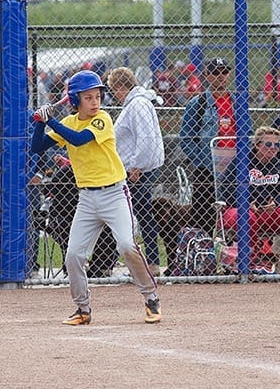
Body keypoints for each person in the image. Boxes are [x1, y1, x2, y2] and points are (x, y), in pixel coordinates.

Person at [31, 70, 161, 325]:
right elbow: (37, 147)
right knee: (74, 256)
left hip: (114, 193)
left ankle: (151, 297)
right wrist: (39, 123)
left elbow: (79, 140)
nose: (95, 102)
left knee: (126, 245)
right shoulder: (68, 122)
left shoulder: (103, 119)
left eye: (97, 96)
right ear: (75, 100)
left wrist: (49, 121)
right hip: (87, 199)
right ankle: (82, 308)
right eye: (88, 97)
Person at [108, 67, 165, 277]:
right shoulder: (135, 104)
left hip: (138, 170)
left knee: (138, 214)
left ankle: (149, 263)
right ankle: (146, 262)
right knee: (137, 214)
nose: (114, 94)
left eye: (114, 89)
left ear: (120, 87)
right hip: (135, 168)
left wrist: (136, 166)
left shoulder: (137, 105)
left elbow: (146, 138)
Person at [179, 57, 243, 237]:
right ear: (206, 75)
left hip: (234, 169)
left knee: (234, 213)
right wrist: (203, 161)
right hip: (207, 169)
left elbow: (248, 134)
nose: (221, 76)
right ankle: (203, 253)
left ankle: (233, 253)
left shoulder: (237, 102)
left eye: (224, 72)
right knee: (203, 216)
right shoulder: (198, 104)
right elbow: (186, 139)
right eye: (215, 72)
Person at [220, 126, 280, 273]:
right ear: (257, 145)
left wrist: (276, 202)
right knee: (247, 217)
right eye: (268, 144)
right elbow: (226, 190)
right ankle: (249, 262)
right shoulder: (242, 161)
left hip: (269, 211)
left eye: (277, 145)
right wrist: (244, 204)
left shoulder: (278, 163)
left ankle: (272, 261)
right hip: (239, 209)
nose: (273, 148)